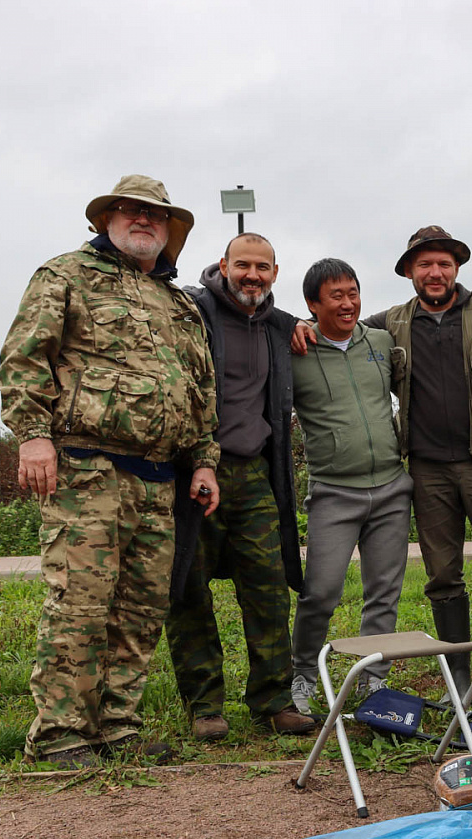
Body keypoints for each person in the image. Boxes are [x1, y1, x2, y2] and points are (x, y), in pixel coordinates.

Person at [0, 174, 219, 766]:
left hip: (158, 478)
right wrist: (33, 438)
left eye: (155, 213)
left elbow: (200, 391)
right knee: (80, 604)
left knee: (141, 610)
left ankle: (118, 727)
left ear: (170, 230)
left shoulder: (180, 305)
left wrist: (203, 461)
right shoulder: (65, 275)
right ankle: (61, 735)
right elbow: (25, 358)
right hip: (84, 469)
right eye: (128, 210)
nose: (142, 219)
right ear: (106, 220)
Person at [293, 226, 472, 706]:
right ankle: (458, 681)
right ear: (410, 272)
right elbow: (336, 328)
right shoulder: (390, 323)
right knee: (442, 577)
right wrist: (299, 327)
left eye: (444, 264)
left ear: (457, 269)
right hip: (428, 470)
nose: (435, 273)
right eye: (425, 265)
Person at [166, 234, 316, 741]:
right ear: (224, 265)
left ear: (275, 272)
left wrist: (301, 326)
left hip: (253, 472)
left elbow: (313, 329)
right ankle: (205, 705)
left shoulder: (278, 326)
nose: (253, 275)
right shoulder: (192, 310)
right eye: (243, 265)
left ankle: (273, 701)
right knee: (188, 587)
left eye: (263, 268)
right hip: (189, 470)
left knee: (269, 588)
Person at [287, 259, 413, 713]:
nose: (348, 303)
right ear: (312, 305)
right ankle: (302, 674)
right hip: (333, 493)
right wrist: (293, 326)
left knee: (384, 591)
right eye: (335, 296)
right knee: (320, 591)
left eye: (353, 292)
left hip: (391, 488)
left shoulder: (379, 341)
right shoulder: (294, 350)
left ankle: (372, 681)